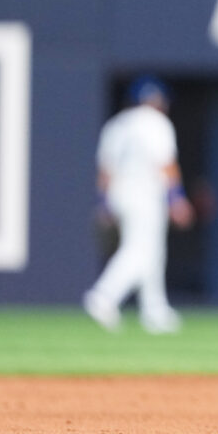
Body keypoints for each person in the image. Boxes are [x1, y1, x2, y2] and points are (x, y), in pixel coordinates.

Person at [83, 76, 193, 334]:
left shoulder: (117, 124)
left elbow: (105, 171)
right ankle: (103, 295)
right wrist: (176, 199)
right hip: (145, 194)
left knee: (153, 252)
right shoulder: (156, 123)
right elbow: (166, 164)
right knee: (139, 251)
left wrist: (104, 203)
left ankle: (154, 310)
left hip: (119, 194)